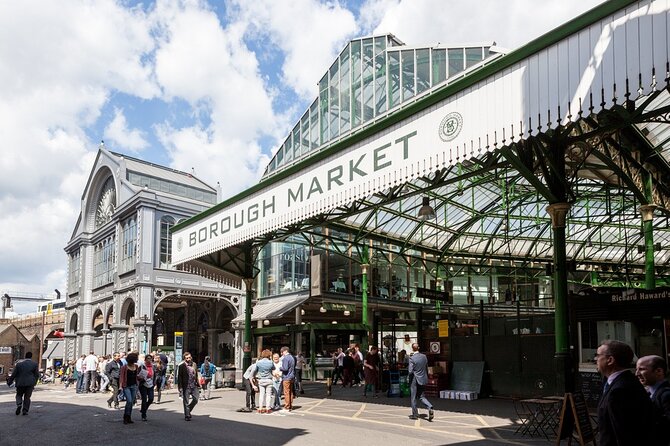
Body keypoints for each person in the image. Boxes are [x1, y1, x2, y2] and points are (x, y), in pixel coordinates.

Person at [596, 340, 655, 445]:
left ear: (610, 360)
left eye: (598, 355)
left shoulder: (619, 391)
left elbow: (623, 434)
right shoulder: (625, 382)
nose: (595, 359)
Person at [636, 355, 670, 445]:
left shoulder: (666, 395)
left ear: (659, 371)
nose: (637, 374)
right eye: (637, 369)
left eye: (642, 369)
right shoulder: (648, 393)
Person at [408, 343, 434, 421]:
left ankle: (415, 415)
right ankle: (430, 406)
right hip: (422, 378)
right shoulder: (424, 357)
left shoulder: (412, 358)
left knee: (413, 398)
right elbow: (426, 368)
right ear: (418, 348)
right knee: (422, 396)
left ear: (412, 349)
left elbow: (410, 371)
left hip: (414, 379)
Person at [7, 352, 39, 416]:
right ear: (31, 357)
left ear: (25, 356)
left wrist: (10, 381)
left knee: (19, 395)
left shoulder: (19, 365)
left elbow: (14, 374)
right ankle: (25, 410)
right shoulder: (34, 364)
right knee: (27, 397)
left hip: (20, 383)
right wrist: (34, 383)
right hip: (30, 383)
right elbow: (37, 375)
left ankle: (19, 404)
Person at [177, 351, 200, 421]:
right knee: (186, 401)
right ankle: (187, 415)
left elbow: (196, 374)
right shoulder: (181, 366)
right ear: (185, 359)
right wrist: (180, 387)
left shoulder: (194, 365)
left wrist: (198, 383)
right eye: (187, 358)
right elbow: (179, 377)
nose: (188, 359)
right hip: (186, 386)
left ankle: (188, 409)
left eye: (189, 357)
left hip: (193, 385)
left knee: (196, 399)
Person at [119, 352, 140, 424]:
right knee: (129, 401)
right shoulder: (124, 367)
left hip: (134, 385)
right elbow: (121, 377)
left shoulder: (136, 366)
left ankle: (129, 417)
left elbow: (137, 376)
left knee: (131, 402)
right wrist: (120, 386)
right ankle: (126, 416)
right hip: (126, 386)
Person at [254, 349, 274, 414]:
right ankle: (268, 408)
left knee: (261, 394)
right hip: (269, 380)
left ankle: (260, 408)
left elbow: (255, 369)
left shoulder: (259, 362)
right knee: (268, 395)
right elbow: (274, 368)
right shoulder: (270, 362)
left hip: (261, 380)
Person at [137, 353, 155, 421]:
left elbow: (154, 375)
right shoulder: (142, 366)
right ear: (145, 359)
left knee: (151, 399)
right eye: (148, 358)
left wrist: (154, 382)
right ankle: (143, 415)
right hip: (143, 384)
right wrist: (140, 377)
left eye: (150, 359)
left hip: (150, 384)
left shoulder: (153, 366)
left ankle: (143, 409)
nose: (149, 360)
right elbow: (137, 374)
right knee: (144, 399)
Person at [280, 346, 295, 411]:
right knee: (290, 392)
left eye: (282, 352)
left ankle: (287, 406)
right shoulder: (292, 357)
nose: (282, 353)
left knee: (286, 392)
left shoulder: (285, 358)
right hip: (292, 376)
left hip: (286, 377)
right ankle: (290, 405)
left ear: (285, 351)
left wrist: (280, 368)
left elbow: (285, 368)